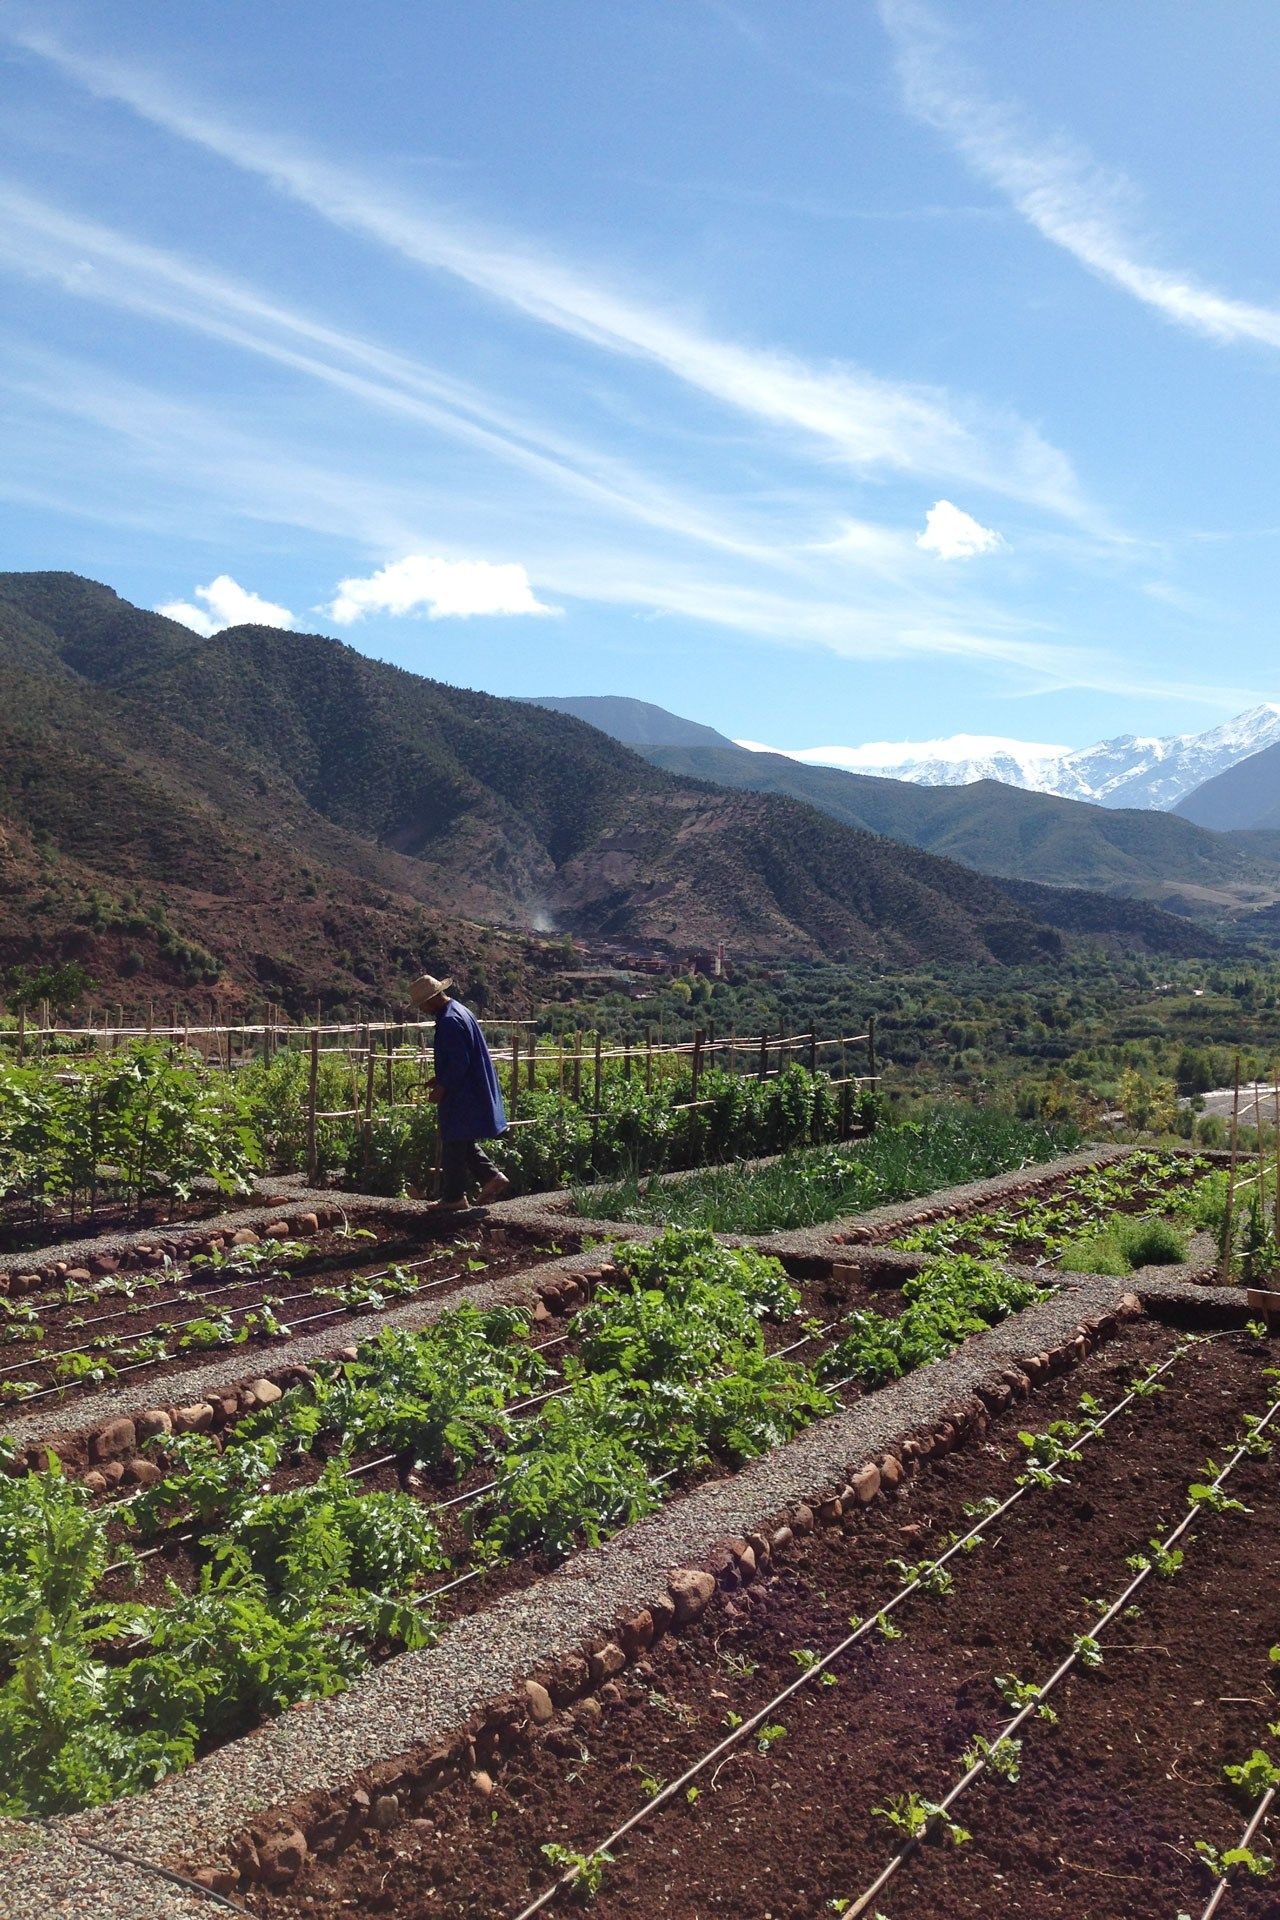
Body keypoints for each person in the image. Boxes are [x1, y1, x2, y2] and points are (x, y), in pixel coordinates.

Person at [409, 973, 511, 1209]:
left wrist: (443, 1087)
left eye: (422, 1004)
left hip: (463, 1092)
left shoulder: (449, 1021)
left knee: (454, 1139)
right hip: (469, 1086)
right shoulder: (459, 1011)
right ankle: (490, 1177)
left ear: (432, 999)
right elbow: (462, 1056)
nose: (422, 1009)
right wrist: (440, 1078)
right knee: (460, 1140)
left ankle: (454, 1197)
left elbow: (459, 1062)